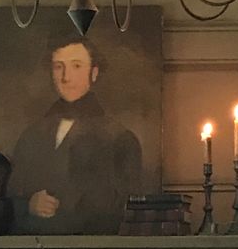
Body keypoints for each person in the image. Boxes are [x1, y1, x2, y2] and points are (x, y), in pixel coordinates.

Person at [9, 36, 143, 234]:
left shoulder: (121, 140)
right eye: (58, 67)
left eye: (77, 66)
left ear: (94, 73)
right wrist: (29, 205)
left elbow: (121, 211)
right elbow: (10, 197)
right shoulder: (31, 136)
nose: (66, 77)